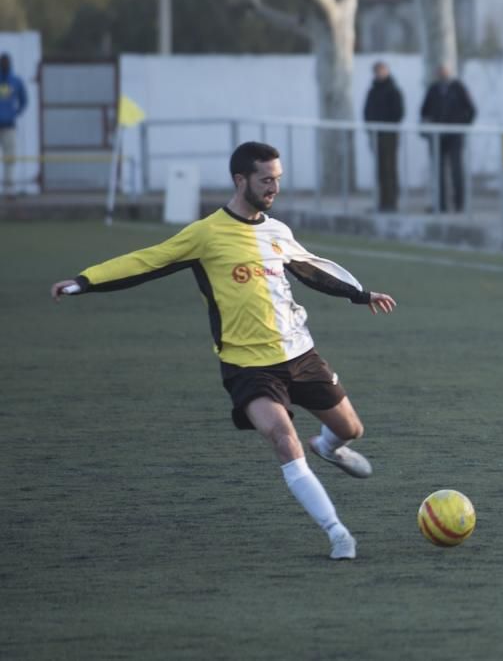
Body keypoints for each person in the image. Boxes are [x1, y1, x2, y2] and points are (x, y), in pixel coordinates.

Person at [49, 142, 397, 560]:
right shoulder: (205, 234)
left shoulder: (277, 232)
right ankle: (337, 532)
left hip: (300, 354)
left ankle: (329, 447)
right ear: (240, 180)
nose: (274, 188)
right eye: (266, 180)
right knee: (284, 439)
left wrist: (361, 294)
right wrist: (85, 280)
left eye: (278, 180)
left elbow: (312, 268)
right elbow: (147, 261)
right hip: (248, 366)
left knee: (351, 429)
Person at [419, 64, 476, 212]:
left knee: (456, 169)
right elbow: (424, 111)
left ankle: (459, 205)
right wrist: (427, 128)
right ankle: (441, 205)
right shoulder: (433, 89)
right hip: (437, 137)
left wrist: (461, 126)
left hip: (455, 136)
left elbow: (471, 110)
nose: (442, 73)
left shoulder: (458, 88)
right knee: (438, 171)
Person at [363, 60, 404, 212]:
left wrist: (386, 127)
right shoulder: (373, 91)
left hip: (389, 136)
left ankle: (392, 202)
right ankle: (383, 201)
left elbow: (398, 113)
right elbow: (367, 112)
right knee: (380, 170)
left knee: (390, 169)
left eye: (381, 70)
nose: (379, 74)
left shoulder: (393, 90)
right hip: (376, 135)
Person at [0, 52, 28, 196]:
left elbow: (24, 100)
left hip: (9, 126)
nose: (4, 64)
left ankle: (8, 189)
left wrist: (14, 113)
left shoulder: (15, 81)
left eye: (6, 62)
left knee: (10, 157)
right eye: (2, 62)